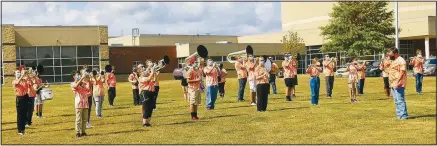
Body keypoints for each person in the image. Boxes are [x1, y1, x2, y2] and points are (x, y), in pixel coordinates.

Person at [388, 48, 408, 120]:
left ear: (395, 53)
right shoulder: (394, 61)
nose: (389, 55)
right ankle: (399, 115)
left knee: (400, 100)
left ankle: (403, 116)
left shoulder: (401, 60)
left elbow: (402, 72)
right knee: (396, 100)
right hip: (393, 83)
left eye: (390, 53)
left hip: (399, 83)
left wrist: (397, 82)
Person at [71, 72, 91, 138]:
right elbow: (76, 86)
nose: (79, 76)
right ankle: (77, 132)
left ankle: (83, 131)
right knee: (78, 119)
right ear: (74, 77)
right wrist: (82, 78)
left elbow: (88, 89)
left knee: (85, 119)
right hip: (79, 103)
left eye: (79, 75)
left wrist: (87, 79)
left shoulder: (84, 83)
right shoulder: (73, 83)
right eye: (77, 75)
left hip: (85, 103)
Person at [13, 68, 30, 136]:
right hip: (19, 98)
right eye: (17, 73)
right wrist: (21, 76)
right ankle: (20, 130)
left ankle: (23, 129)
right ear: (14, 74)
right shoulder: (14, 81)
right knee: (20, 115)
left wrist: (27, 74)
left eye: (19, 72)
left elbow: (30, 82)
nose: (18, 74)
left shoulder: (23, 80)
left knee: (24, 114)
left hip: (25, 97)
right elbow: (17, 83)